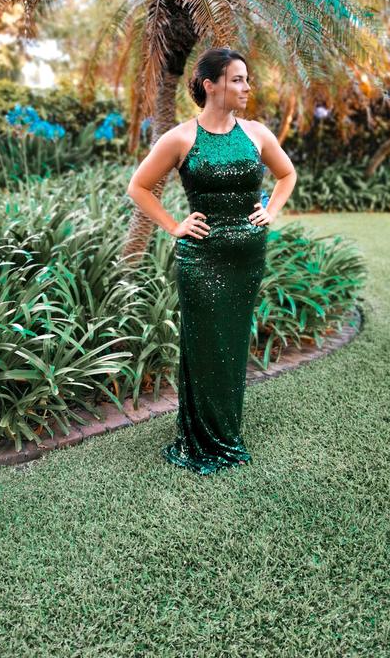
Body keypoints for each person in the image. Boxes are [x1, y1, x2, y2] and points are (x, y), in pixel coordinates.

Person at [127, 47, 297, 475]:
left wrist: (271, 210)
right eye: (238, 79)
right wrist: (174, 225)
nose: (247, 87)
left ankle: (226, 430)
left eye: (246, 79)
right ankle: (204, 438)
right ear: (210, 85)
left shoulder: (256, 133)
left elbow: (287, 174)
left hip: (246, 259)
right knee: (205, 348)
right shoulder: (181, 138)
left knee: (233, 346)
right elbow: (139, 187)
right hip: (201, 259)